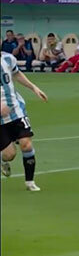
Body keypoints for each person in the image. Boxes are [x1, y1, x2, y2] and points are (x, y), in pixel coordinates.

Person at [0, 51, 48, 192]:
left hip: (16, 110)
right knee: (9, 154)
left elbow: (17, 74)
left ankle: (30, 182)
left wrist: (34, 88)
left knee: (26, 144)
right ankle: (3, 160)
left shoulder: (8, 58)